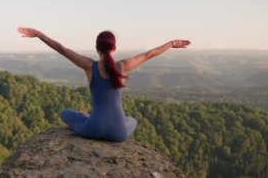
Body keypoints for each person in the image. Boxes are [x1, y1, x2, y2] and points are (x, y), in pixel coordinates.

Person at [18, 27, 191, 141]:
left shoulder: (89, 66)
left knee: (65, 112)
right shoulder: (122, 66)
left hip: (93, 128)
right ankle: (97, 118)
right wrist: (172, 43)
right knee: (132, 120)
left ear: (96, 47)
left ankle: (87, 117)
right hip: (119, 133)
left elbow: (62, 49)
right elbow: (148, 55)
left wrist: (39, 35)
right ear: (114, 48)